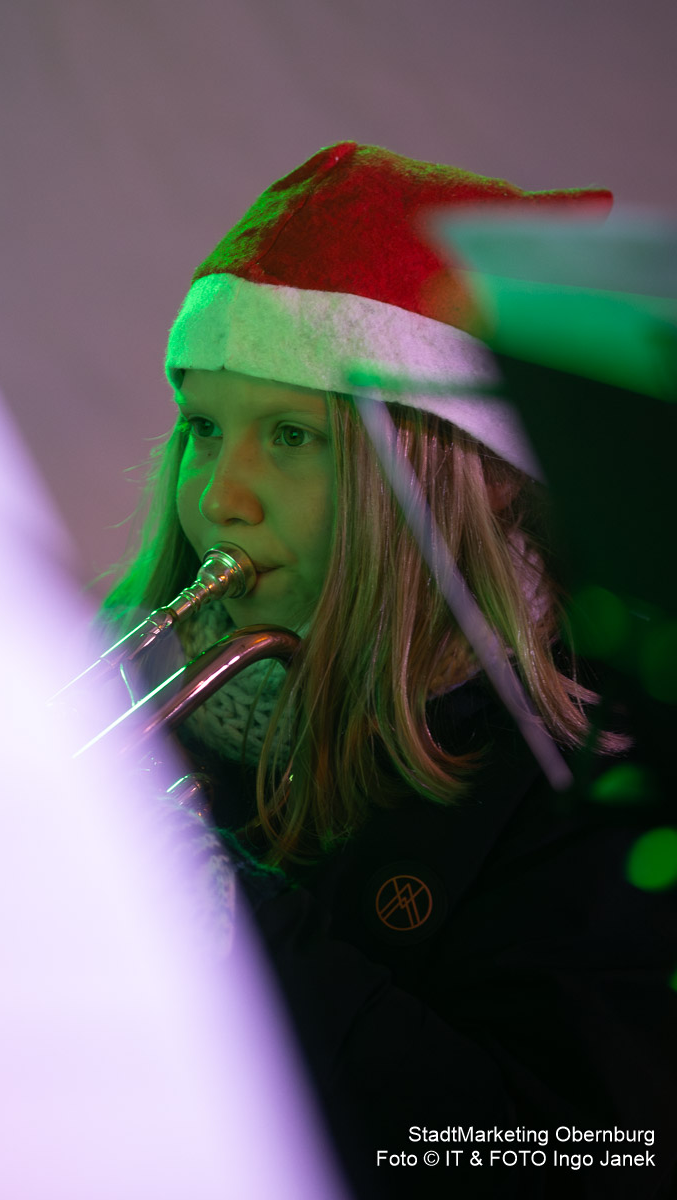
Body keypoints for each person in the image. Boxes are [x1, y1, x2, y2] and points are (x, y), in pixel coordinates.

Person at [101, 144, 677, 1198]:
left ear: (448, 476)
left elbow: (568, 1158)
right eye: (203, 426)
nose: (219, 496)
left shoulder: (595, 777)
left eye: (290, 435)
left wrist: (223, 918)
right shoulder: (134, 686)